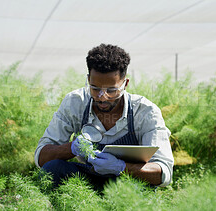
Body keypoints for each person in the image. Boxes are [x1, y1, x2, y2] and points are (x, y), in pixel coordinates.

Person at [34, 43, 174, 189]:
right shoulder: (75, 102)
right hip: (85, 181)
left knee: (140, 186)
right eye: (95, 88)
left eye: (111, 90)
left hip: (126, 186)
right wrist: (72, 148)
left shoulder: (145, 112)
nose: (102, 97)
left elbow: (164, 172)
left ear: (125, 83)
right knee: (53, 169)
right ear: (88, 80)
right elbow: (41, 157)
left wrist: (121, 167)